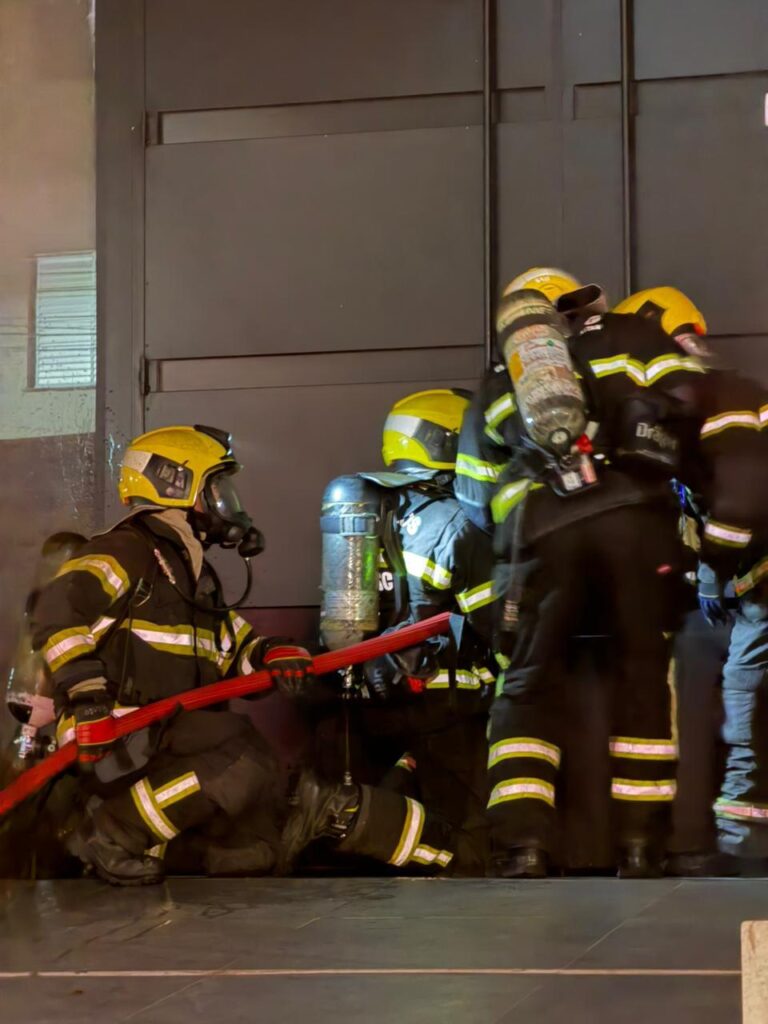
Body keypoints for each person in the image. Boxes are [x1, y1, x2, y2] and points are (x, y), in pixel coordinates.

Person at [456, 268, 707, 878]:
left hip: (543, 531)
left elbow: (473, 495)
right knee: (642, 677)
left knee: (526, 686)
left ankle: (524, 846)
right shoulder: (637, 337)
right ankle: (640, 848)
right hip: (635, 523)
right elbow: (692, 409)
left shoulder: (502, 377)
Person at [30, 424, 315, 885]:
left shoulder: (192, 574)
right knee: (241, 754)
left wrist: (274, 653)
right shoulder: (127, 549)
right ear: (176, 484)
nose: (227, 504)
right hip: (114, 732)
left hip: (162, 735)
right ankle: (110, 834)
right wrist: (88, 698)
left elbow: (234, 649)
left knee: (257, 849)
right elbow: (55, 610)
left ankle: (130, 842)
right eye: (216, 489)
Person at [285, 390, 497, 876]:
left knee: (420, 815)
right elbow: (497, 626)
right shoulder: (458, 522)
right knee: (475, 851)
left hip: (364, 699)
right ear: (449, 442)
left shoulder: (366, 512)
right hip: (444, 704)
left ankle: (344, 813)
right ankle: (339, 810)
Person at [685, 369, 768, 862]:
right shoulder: (742, 410)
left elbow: (737, 511)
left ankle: (739, 834)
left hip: (760, 590)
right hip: (753, 585)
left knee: (743, 686)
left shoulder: (718, 427)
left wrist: (712, 573)